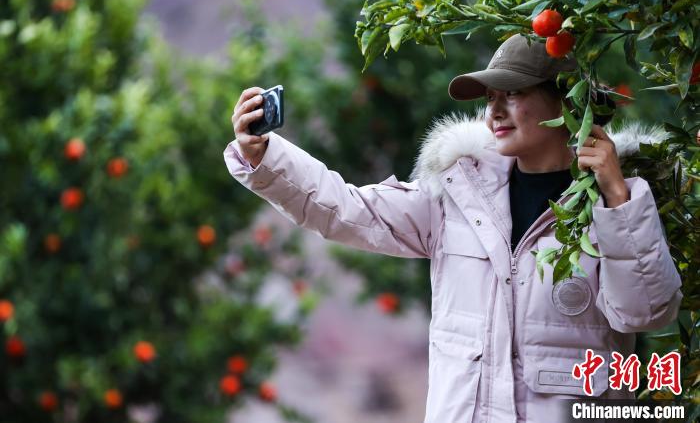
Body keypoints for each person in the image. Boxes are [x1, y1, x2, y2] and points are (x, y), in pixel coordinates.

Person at [223, 34, 683, 423]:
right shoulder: (455, 194)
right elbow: (346, 210)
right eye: (490, 99)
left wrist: (619, 202)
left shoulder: (615, 203)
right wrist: (265, 157)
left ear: (565, 101)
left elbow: (644, 314)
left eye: (513, 94)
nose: (495, 112)